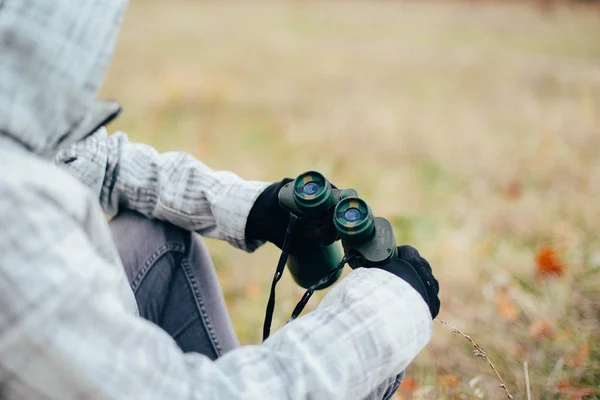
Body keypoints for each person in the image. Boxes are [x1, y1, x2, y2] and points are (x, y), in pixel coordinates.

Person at [0, 0, 440, 399]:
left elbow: (94, 161)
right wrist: (385, 310)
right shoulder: (12, 221)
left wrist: (256, 208)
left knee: (157, 234)